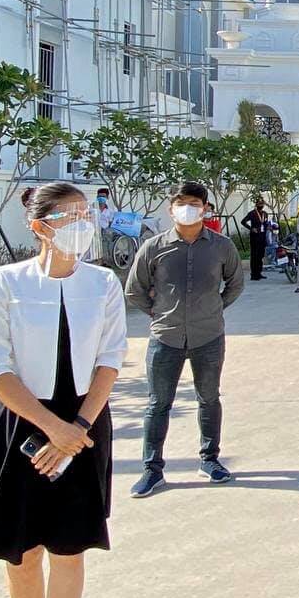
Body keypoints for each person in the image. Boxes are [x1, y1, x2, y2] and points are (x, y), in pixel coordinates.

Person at [0, 182, 127, 598]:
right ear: (39, 227)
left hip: (84, 423)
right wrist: (53, 428)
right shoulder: (5, 283)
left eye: (86, 215)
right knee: (23, 551)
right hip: (20, 422)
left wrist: (77, 428)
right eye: (70, 217)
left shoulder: (103, 284)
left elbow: (110, 359)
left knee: (70, 547)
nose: (82, 225)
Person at [124, 181, 245, 498]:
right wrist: (158, 313)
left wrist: (214, 308)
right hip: (165, 338)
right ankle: (152, 469)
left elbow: (235, 283)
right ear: (171, 209)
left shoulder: (221, 247)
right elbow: (134, 289)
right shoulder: (154, 247)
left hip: (209, 336)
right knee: (158, 404)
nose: (188, 209)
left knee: (209, 399)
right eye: (181, 203)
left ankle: (210, 459)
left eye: (194, 203)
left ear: (205, 209)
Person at [241, 197, 269, 281]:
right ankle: (254, 274)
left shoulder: (265, 214)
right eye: (259, 204)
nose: (261, 205)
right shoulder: (252, 213)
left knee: (260, 255)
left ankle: (259, 273)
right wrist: (251, 228)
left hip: (262, 236)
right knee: (254, 255)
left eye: (262, 204)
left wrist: (269, 227)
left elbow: (265, 224)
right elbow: (243, 222)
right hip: (255, 237)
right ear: (256, 205)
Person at [95, 187, 114, 266]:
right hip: (95, 230)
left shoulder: (110, 211)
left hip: (105, 231)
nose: (101, 198)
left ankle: (104, 261)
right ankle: (98, 260)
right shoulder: (93, 208)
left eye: (103, 196)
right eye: (99, 196)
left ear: (107, 198)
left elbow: (111, 223)